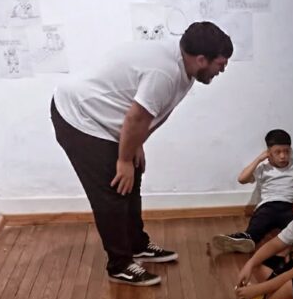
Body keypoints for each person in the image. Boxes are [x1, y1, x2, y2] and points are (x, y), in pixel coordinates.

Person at [51, 21, 233, 285]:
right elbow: (136, 117)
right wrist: (124, 158)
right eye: (221, 63)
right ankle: (120, 265)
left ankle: (137, 245)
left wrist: (135, 146)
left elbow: (153, 113)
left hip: (108, 119)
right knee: (112, 189)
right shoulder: (166, 72)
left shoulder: (187, 67)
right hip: (78, 116)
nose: (223, 69)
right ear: (202, 59)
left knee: (132, 178)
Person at [213, 129, 293, 253]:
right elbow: (242, 179)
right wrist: (259, 159)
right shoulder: (263, 167)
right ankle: (245, 239)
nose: (283, 156)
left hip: (290, 206)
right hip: (268, 206)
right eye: (277, 152)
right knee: (259, 224)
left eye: (286, 151)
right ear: (269, 153)